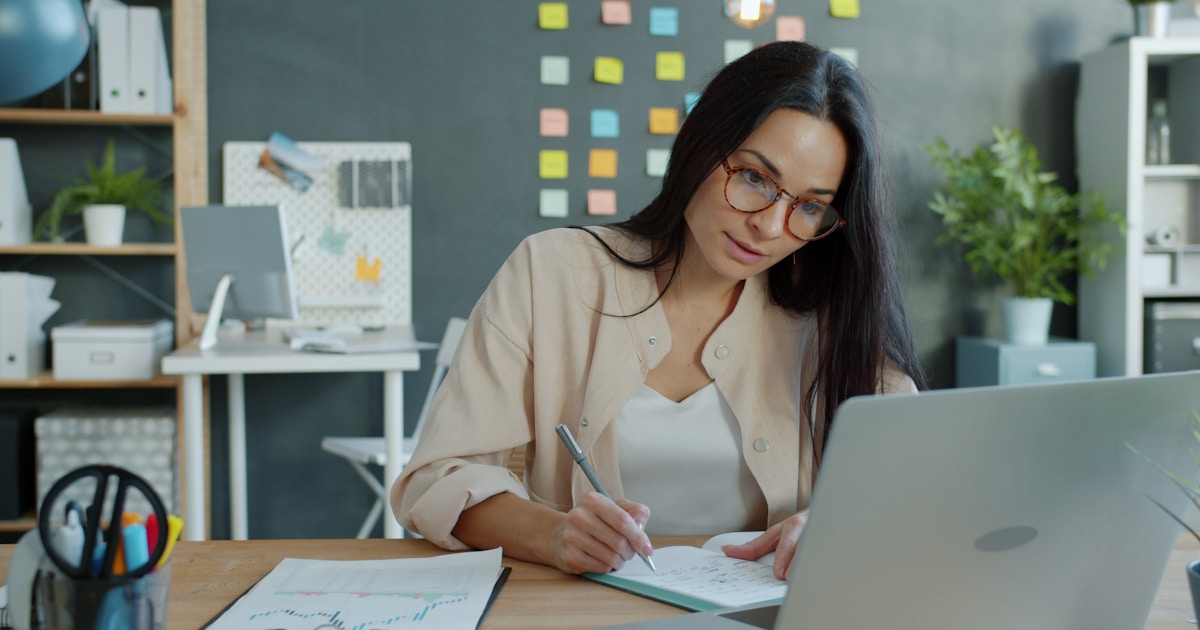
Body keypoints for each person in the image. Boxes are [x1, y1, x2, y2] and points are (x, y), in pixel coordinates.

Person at [391, 40, 926, 580]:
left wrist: (835, 522)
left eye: (809, 206)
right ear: (699, 145)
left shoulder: (836, 315)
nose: (767, 225)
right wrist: (555, 535)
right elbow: (438, 479)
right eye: (754, 177)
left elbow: (919, 491)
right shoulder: (551, 272)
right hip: (581, 610)